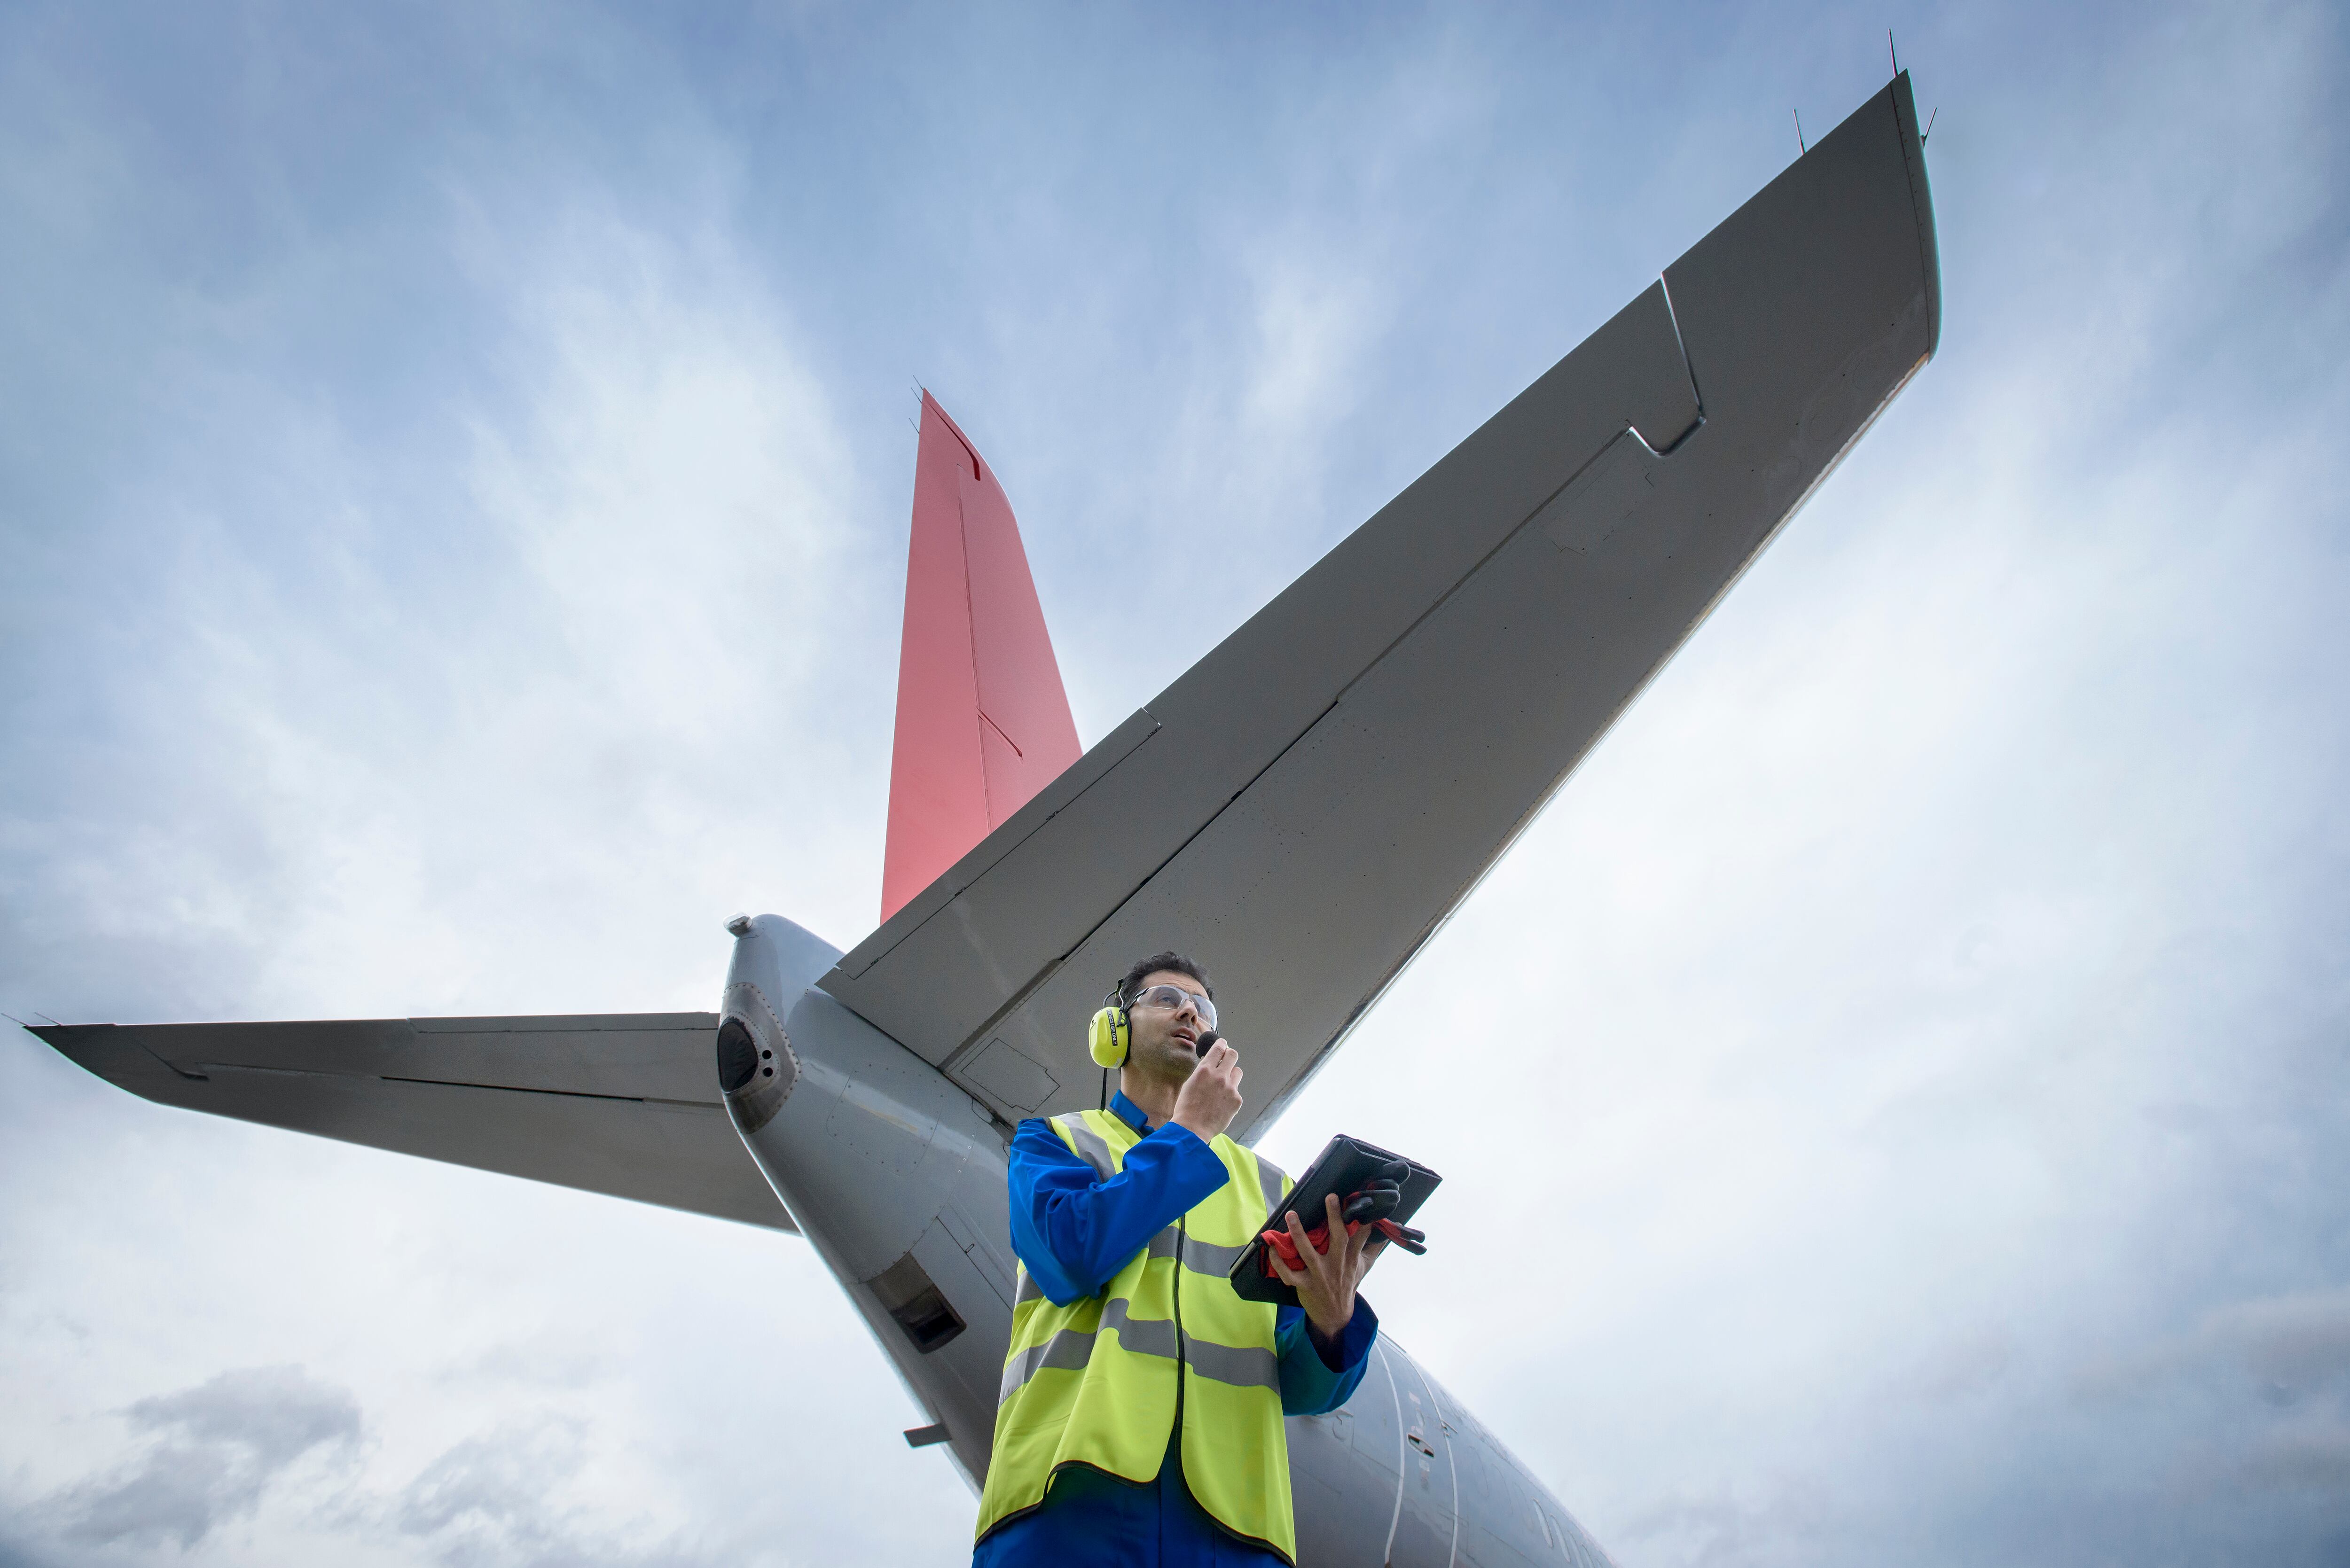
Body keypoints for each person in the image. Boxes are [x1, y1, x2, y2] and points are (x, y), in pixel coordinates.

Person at [971, 951, 1386, 1568]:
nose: (1189, 1009)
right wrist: (1189, 1135)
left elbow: (1301, 1388)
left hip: (1236, 1527)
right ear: (1111, 1028)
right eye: (1166, 997)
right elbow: (1070, 1253)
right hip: (1069, 1501)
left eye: (1202, 1006)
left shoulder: (1273, 1192)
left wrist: (1332, 1321)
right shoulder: (1053, 1141)